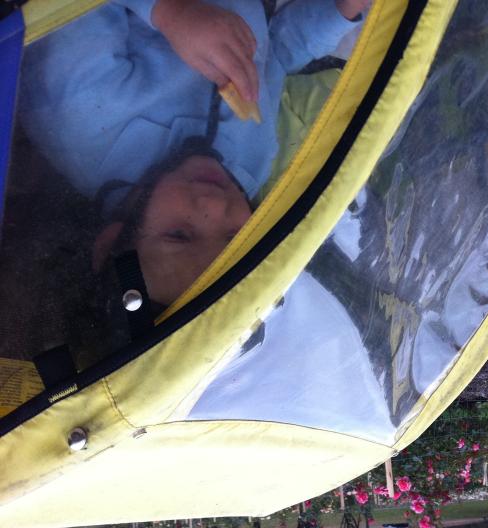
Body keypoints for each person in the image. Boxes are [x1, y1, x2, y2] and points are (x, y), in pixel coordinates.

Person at [18, 0, 369, 306]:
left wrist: (169, 12)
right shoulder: (246, 171)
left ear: (114, 240)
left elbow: (57, 7)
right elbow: (271, 56)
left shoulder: (80, 118)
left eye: (178, 235)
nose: (215, 206)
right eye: (234, 238)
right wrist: (340, 12)